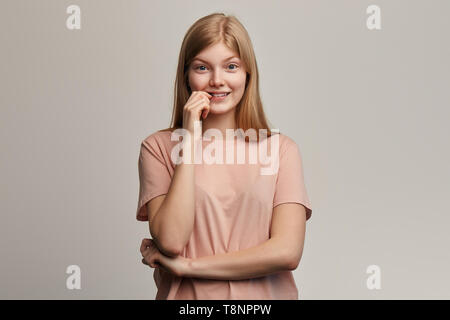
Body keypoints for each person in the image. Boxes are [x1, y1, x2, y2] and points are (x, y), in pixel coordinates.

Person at [137, 12, 312, 300]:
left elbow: (287, 252)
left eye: (231, 66)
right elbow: (170, 240)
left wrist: (187, 266)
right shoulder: (157, 148)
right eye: (202, 67)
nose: (217, 81)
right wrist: (191, 136)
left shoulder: (280, 150)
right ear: (187, 75)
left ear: (247, 74)